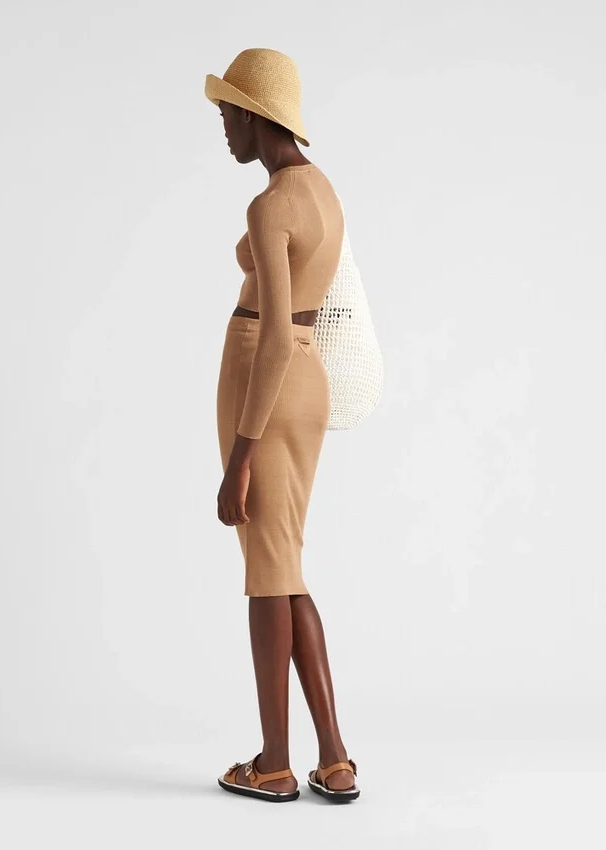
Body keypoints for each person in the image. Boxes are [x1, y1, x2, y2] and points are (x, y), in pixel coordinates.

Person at [205, 48, 359, 803]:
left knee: (267, 574)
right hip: (309, 380)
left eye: (227, 113)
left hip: (265, 379)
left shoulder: (269, 205)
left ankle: (273, 764)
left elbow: (269, 334)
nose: (223, 128)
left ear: (254, 115)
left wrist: (239, 459)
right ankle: (334, 758)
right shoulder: (322, 189)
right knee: (285, 566)